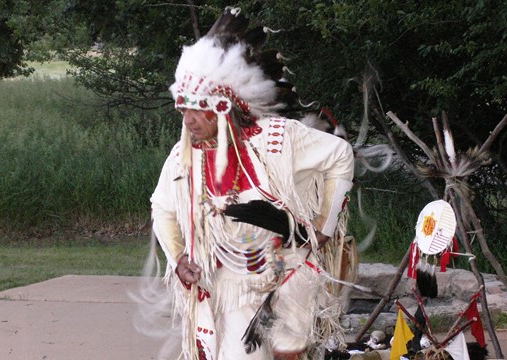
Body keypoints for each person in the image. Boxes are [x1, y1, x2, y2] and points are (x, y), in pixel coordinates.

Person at [150, 7, 355, 360]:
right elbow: (163, 208)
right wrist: (180, 257)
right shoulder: (183, 159)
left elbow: (340, 155)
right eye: (182, 110)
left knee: (290, 354)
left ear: (223, 107)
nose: (188, 120)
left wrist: (325, 225)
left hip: (288, 272)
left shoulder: (279, 140)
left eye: (197, 110)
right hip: (231, 287)